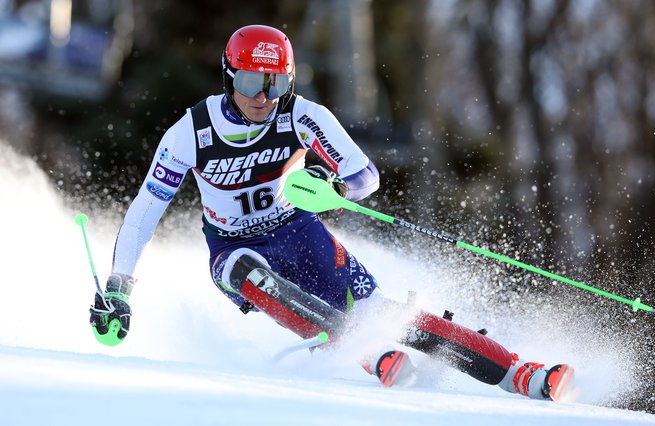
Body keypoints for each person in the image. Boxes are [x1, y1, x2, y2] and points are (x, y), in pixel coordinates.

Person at [89, 24, 573, 401]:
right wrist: (118, 288)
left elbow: (366, 176)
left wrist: (334, 186)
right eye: (251, 80)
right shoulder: (189, 132)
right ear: (228, 75)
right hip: (233, 246)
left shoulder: (302, 116)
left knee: (382, 315)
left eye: (275, 82)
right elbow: (144, 211)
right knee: (247, 273)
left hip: (299, 231)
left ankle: (518, 372)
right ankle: (362, 350)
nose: (263, 96)